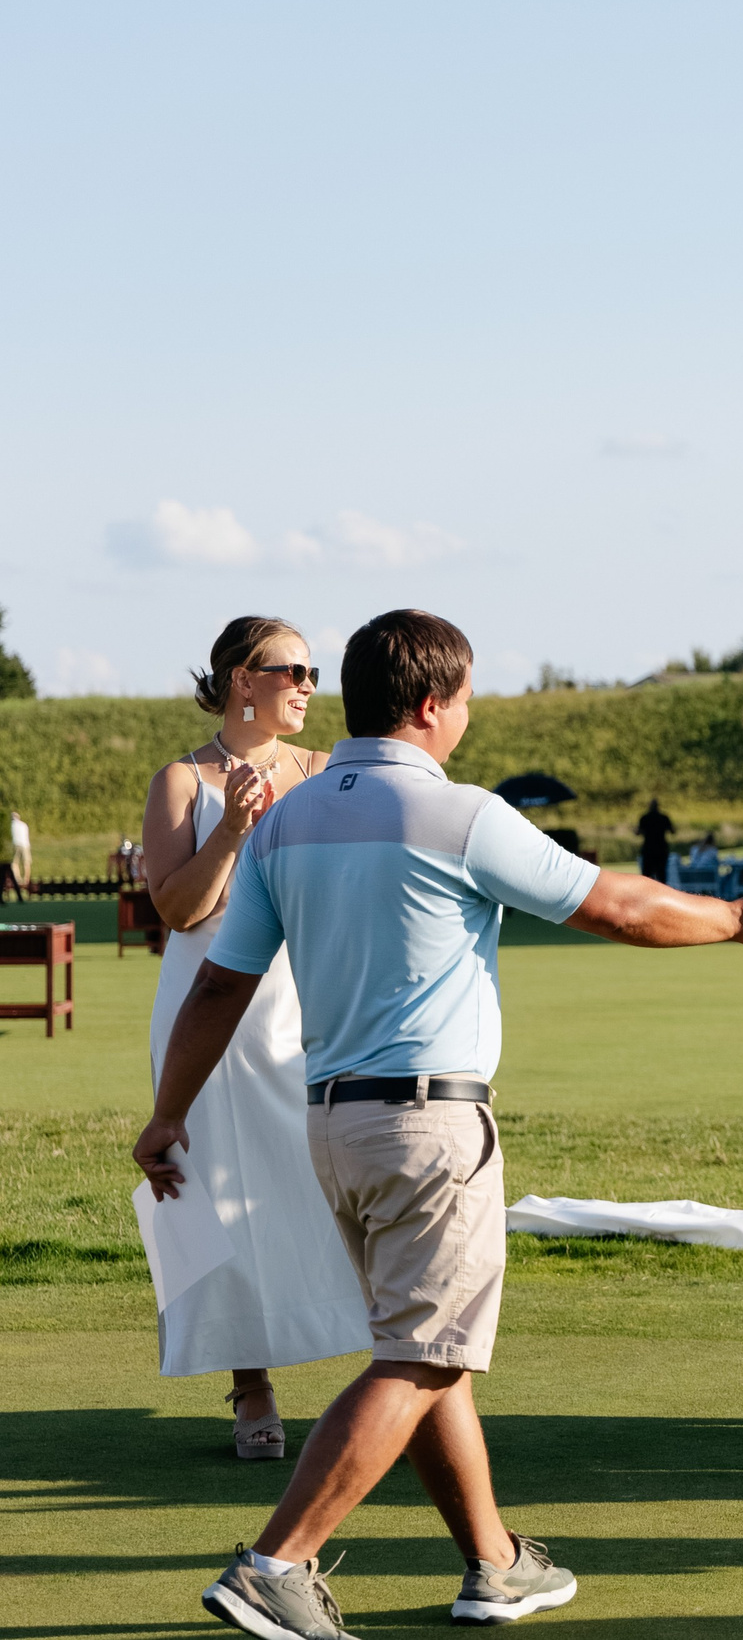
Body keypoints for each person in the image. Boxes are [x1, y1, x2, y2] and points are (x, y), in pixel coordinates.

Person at [135, 609, 743, 1640]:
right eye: (467, 700)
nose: (468, 718)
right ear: (433, 704)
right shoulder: (457, 813)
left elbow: (218, 987)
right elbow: (613, 905)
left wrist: (167, 1114)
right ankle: (279, 1561)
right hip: (431, 1127)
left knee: (425, 1342)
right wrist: (736, 920)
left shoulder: (289, 822)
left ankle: (493, 1562)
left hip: (333, 1132)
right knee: (423, 1355)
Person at [137, 617, 369, 1458]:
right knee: (220, 1186)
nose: (309, 683)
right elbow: (178, 910)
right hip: (208, 1011)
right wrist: (232, 828)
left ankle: (382, 1370)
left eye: (315, 670)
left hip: (305, 1001)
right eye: (292, 669)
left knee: (326, 1177)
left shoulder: (329, 772)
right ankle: (251, 1382)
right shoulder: (182, 780)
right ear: (243, 679)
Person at [637, 797, 676, 883]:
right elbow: (673, 831)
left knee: (647, 876)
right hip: (661, 849)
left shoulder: (645, 818)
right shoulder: (664, 817)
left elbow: (639, 832)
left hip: (648, 849)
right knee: (662, 875)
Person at [5, 806, 29, 901]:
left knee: (15, 863)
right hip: (25, 844)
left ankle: (18, 879)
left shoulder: (10, 825)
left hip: (15, 844)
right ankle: (26, 879)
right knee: (26, 862)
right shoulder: (24, 825)